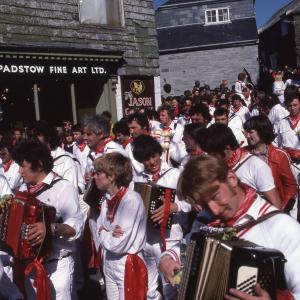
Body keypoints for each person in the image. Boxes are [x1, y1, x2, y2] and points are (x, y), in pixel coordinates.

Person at [159, 155, 300, 299]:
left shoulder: (283, 227)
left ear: (232, 179)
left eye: (214, 196)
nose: (214, 210)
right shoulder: (205, 219)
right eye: (204, 204)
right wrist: (166, 259)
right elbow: (186, 246)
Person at [12, 139, 84, 300]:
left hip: (57, 267)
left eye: (23, 165)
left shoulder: (63, 188)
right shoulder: (23, 190)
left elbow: (77, 226)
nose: (19, 171)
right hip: (29, 266)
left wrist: (52, 228)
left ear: (38, 164)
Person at [132, 135, 191, 300]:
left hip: (171, 241)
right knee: (150, 289)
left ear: (159, 153)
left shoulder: (175, 174)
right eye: (146, 159)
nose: (152, 162)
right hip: (147, 242)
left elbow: (191, 202)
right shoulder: (138, 179)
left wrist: (175, 206)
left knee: (174, 285)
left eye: (154, 156)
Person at [93, 152, 147, 300]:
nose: (94, 177)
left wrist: (104, 232)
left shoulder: (131, 200)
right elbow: (98, 227)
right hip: (109, 261)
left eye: (98, 173)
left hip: (127, 263)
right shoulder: (106, 198)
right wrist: (108, 232)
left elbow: (119, 243)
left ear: (112, 176)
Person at [203, 123, 282, 208]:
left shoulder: (256, 166)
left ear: (227, 148)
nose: (211, 158)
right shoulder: (218, 168)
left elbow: (276, 205)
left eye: (214, 154)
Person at [244, 115, 297, 209]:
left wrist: (282, 210)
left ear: (262, 132)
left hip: (275, 208)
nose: (247, 136)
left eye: (251, 132)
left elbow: (290, 187)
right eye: (246, 132)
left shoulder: (280, 155)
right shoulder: (242, 154)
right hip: (250, 209)